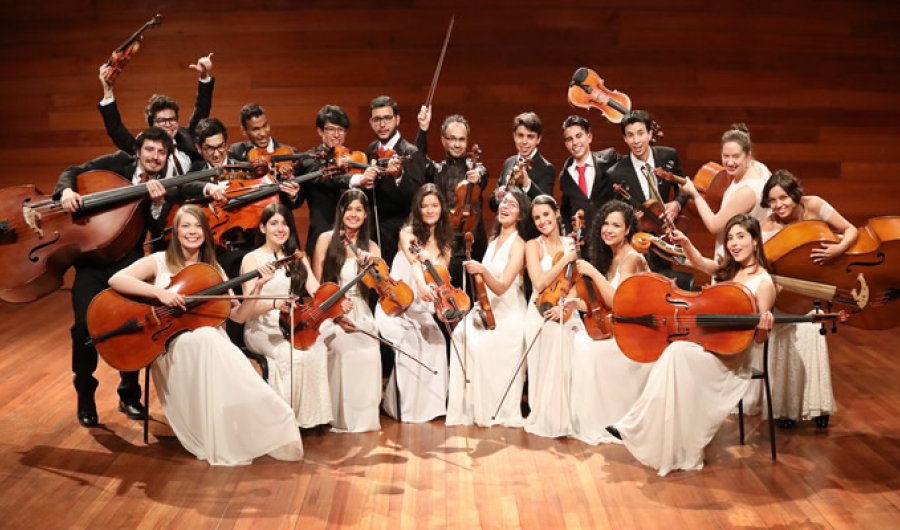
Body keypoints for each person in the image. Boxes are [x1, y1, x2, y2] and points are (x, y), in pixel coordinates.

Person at [108, 205, 303, 465]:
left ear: (206, 232)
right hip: (172, 346)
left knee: (210, 339)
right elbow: (116, 280)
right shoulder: (159, 260)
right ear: (176, 232)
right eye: (185, 226)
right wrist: (161, 293)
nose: (192, 231)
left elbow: (238, 316)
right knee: (207, 339)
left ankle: (268, 412)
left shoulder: (215, 270)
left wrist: (257, 287)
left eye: (197, 226)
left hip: (210, 345)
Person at [608, 214, 776, 476]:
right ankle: (651, 431)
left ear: (755, 240)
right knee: (674, 351)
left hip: (731, 357)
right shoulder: (728, 270)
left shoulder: (764, 283)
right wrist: (685, 243)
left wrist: (763, 328)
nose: (734, 243)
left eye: (741, 236)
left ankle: (636, 423)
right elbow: (698, 261)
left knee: (676, 352)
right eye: (730, 237)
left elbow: (758, 340)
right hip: (706, 345)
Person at [55, 126, 175, 427]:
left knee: (134, 327)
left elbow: (158, 237)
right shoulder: (115, 163)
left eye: (161, 152)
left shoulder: (163, 187)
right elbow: (72, 171)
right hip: (91, 264)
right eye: (150, 150)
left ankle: (129, 395)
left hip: (129, 264)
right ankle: (85, 394)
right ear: (138, 151)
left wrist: (158, 206)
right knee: (83, 329)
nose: (155, 156)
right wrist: (67, 191)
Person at [760, 169, 857, 428]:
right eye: (772, 200)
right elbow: (761, 263)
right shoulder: (768, 226)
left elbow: (850, 230)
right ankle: (786, 410)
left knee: (812, 338)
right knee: (786, 344)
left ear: (795, 194)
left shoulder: (814, 205)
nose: (779, 205)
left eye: (784, 198)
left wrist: (838, 248)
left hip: (813, 289)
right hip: (786, 294)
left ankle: (819, 406)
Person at [240, 204, 336, 429]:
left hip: (294, 323)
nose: (281, 228)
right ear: (263, 228)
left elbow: (316, 291)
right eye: (274, 223)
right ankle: (284, 422)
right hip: (262, 327)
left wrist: (338, 302)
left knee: (318, 347)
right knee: (290, 355)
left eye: (285, 223)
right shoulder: (252, 259)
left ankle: (311, 418)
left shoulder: (297, 258)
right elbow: (249, 307)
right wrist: (274, 305)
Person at [570, 200, 654, 445]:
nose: (608, 229)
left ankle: (612, 418)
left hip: (638, 333)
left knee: (589, 347)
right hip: (621, 326)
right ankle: (597, 418)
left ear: (627, 229)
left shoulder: (631, 258)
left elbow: (619, 302)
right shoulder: (612, 257)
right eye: (605, 223)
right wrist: (576, 304)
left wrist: (592, 272)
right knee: (580, 340)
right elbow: (605, 305)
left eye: (616, 225)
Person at [447, 187, 530, 427]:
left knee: (483, 346)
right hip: (487, 310)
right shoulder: (494, 240)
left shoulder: (520, 244)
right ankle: (470, 407)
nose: (504, 207)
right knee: (460, 335)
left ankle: (493, 409)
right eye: (503, 202)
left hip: (509, 314)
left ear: (521, 215)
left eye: (512, 205)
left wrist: (482, 270)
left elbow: (503, 285)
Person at [375, 184, 452, 423]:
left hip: (421, 309)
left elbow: (441, 282)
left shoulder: (445, 245)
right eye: (424, 205)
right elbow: (415, 264)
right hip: (395, 306)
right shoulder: (407, 234)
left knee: (437, 343)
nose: (429, 210)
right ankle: (405, 409)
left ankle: (431, 408)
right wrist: (420, 285)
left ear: (442, 208)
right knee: (409, 344)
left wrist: (445, 305)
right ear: (417, 209)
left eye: (434, 205)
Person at [311, 190, 382, 433]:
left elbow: (383, 288)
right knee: (343, 351)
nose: (353, 214)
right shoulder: (324, 239)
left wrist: (372, 267)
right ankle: (338, 417)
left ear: (365, 215)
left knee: (371, 353)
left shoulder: (371, 246)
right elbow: (317, 287)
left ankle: (363, 419)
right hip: (330, 311)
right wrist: (337, 312)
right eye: (348, 209)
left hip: (361, 311)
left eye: (358, 210)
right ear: (341, 212)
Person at [522, 195, 584, 438]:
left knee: (570, 339)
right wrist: (565, 261)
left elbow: (578, 281)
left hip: (567, 307)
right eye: (537, 217)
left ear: (557, 213)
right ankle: (549, 416)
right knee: (551, 334)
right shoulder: (532, 245)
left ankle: (568, 415)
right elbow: (538, 282)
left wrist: (567, 306)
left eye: (546, 215)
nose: (542, 221)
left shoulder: (572, 242)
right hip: (540, 309)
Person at [98, 54, 215, 176]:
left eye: (172, 119)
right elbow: (116, 130)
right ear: (151, 124)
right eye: (162, 120)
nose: (168, 124)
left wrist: (204, 77)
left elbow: (202, 110)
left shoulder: (185, 136)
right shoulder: (144, 145)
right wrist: (107, 91)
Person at [417, 111, 489, 287]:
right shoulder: (436, 171)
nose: (457, 144)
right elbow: (417, 159)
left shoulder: (476, 168)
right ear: (443, 140)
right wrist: (423, 130)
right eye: (452, 139)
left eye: (462, 139)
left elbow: (483, 174)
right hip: (443, 247)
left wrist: (477, 176)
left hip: (473, 247)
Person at [680, 123, 771, 258]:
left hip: (738, 256)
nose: (729, 162)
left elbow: (714, 225)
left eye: (736, 156)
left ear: (748, 156)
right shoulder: (760, 168)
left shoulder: (746, 192)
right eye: (725, 156)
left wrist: (694, 193)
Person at [359, 96, 429, 266]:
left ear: (397, 119)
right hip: (375, 236)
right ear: (370, 122)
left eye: (387, 118)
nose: (382, 125)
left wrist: (399, 177)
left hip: (401, 237)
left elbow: (417, 198)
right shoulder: (371, 150)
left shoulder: (411, 152)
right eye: (377, 119)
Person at [298, 105, 355, 256]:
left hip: (353, 239)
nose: (337, 135)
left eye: (341, 130)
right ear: (320, 131)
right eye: (331, 129)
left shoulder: (353, 160)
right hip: (321, 237)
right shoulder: (310, 159)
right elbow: (296, 201)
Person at [558, 115, 620, 253]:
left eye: (579, 136)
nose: (575, 142)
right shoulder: (565, 176)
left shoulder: (610, 159)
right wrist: (569, 236)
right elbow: (566, 211)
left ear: (589, 137)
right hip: (585, 247)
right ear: (566, 144)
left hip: (612, 243)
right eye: (570, 139)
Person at [489, 112, 556, 211]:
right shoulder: (508, 162)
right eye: (520, 135)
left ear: (538, 139)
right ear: (514, 136)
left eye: (530, 137)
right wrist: (498, 195)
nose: (524, 142)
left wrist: (527, 183)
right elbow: (493, 206)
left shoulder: (547, 168)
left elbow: (546, 208)